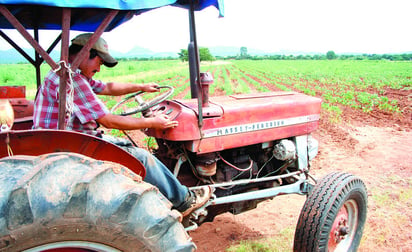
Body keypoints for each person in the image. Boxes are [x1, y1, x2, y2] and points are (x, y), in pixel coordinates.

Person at [33, 33, 211, 217]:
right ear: (87, 54)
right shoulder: (72, 79)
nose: (99, 69)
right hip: (69, 145)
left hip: (66, 138)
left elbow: (107, 87)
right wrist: (153, 122)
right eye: (99, 63)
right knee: (141, 157)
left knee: (126, 146)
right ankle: (185, 201)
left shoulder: (71, 74)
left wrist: (141, 87)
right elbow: (108, 120)